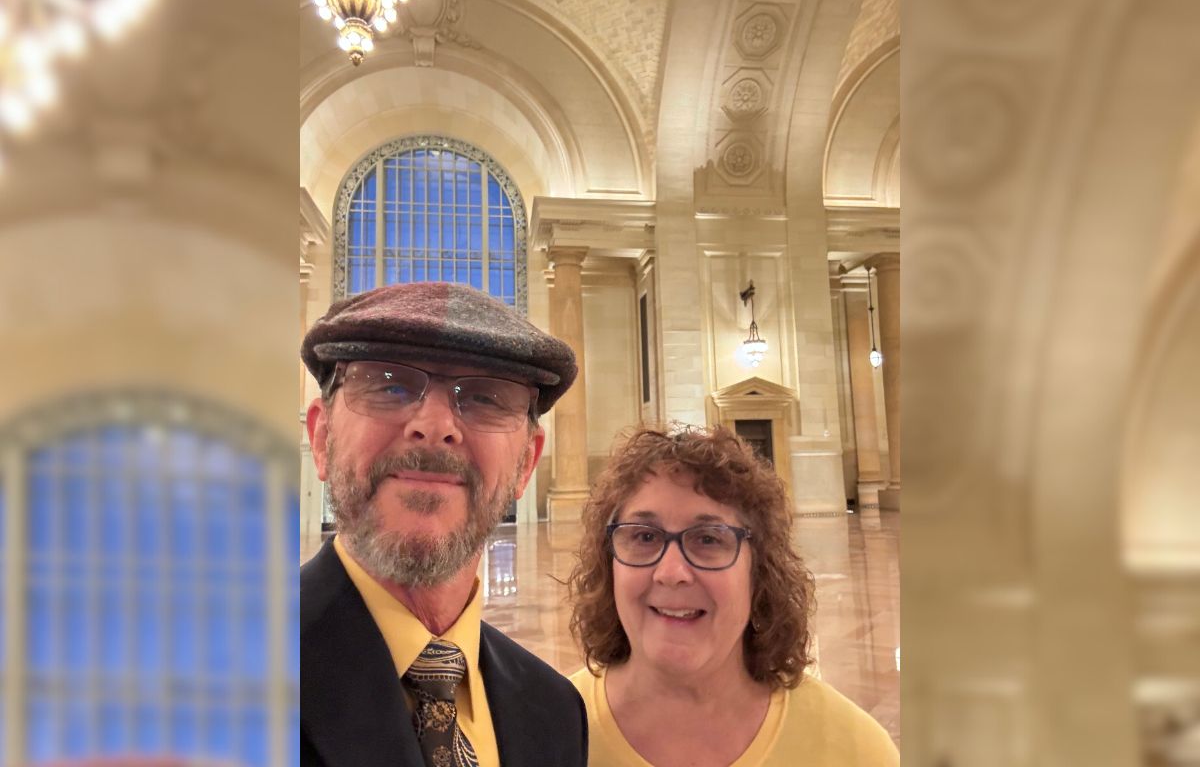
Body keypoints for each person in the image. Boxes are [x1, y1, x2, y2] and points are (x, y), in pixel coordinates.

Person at [299, 282, 588, 767]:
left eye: (483, 398)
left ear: (525, 464)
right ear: (322, 439)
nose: (435, 425)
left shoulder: (554, 712)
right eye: (390, 385)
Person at [567, 426, 898, 766]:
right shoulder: (544, 730)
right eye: (645, 537)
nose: (671, 573)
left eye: (708, 539)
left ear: (758, 569)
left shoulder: (857, 751)